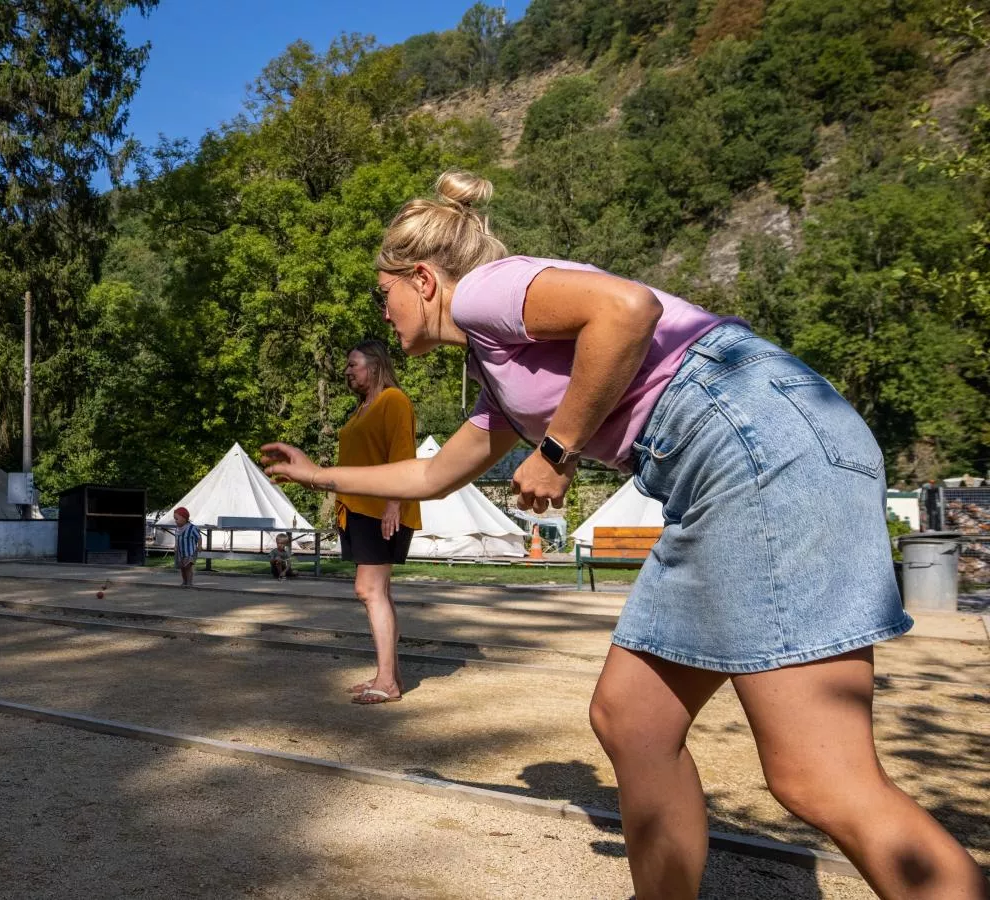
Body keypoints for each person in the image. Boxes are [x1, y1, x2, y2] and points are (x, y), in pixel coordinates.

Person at [261, 171, 987, 899]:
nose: (381, 315)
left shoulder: (485, 291)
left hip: (747, 441)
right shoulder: (500, 369)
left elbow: (625, 308)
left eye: (381, 294)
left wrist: (558, 449)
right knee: (633, 719)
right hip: (751, 446)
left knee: (820, 777)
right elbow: (432, 477)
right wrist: (318, 474)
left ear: (421, 279)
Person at [334, 338, 421, 706]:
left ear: (375, 365)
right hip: (356, 509)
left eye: (354, 364)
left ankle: (387, 681)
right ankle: (390, 674)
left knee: (369, 591)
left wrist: (393, 505)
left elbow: (403, 453)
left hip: (381, 509)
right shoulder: (360, 410)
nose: (348, 371)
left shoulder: (392, 400)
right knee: (378, 592)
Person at [171, 506, 200, 587]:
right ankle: (184, 581)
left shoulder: (192, 528)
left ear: (184, 518)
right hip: (180, 552)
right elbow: (177, 538)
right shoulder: (177, 529)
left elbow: (199, 537)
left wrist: (199, 545)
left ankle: (189, 582)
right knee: (182, 568)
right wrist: (176, 546)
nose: (175, 521)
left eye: (177, 519)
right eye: (175, 519)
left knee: (188, 567)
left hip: (190, 552)